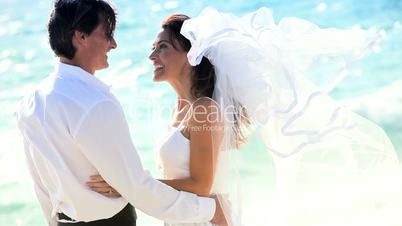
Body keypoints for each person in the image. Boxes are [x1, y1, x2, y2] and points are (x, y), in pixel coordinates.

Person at [88, 7, 402, 226]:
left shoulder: (205, 110)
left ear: (191, 55)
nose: (152, 56)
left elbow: (200, 183)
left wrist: (130, 185)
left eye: (163, 48)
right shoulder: (181, 109)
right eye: (154, 48)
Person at [15, 1, 227, 226]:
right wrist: (208, 210)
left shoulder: (31, 102)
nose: (113, 44)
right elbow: (135, 186)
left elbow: (41, 186)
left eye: (162, 47)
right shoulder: (96, 102)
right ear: (81, 37)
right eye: (107, 34)